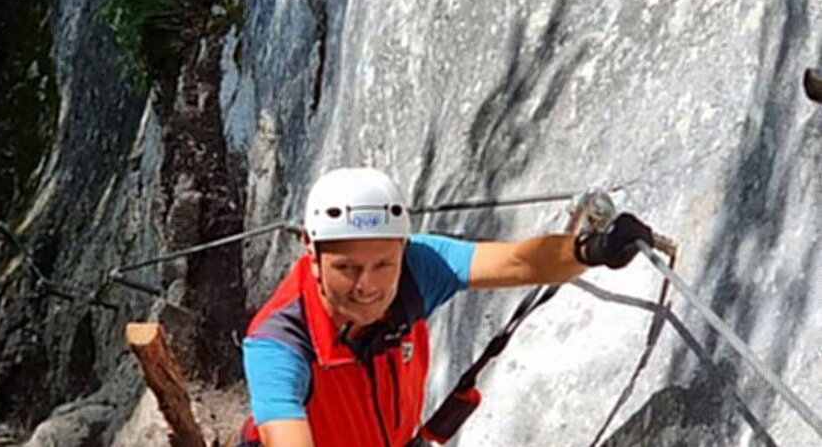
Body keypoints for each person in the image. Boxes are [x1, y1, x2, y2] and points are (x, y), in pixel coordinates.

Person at [236, 168, 653, 447]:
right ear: (312, 253)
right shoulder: (280, 341)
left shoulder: (419, 268)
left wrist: (589, 249)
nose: (368, 286)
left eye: (384, 264)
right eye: (347, 268)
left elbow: (518, 262)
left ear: (402, 248)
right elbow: (285, 435)